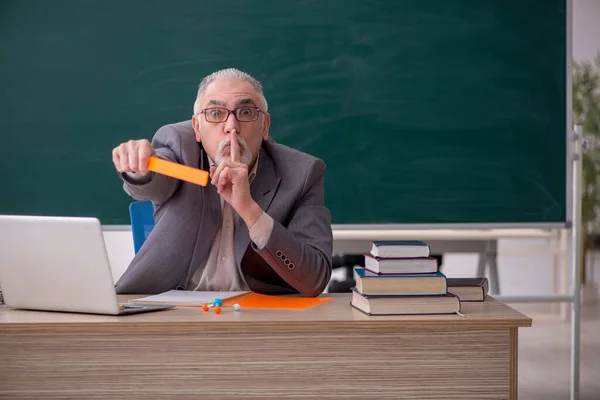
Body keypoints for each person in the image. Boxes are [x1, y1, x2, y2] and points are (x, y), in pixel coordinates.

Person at [111, 68, 333, 296]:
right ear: (197, 127)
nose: (231, 127)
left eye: (245, 112)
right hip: (172, 306)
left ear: (265, 126)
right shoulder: (180, 147)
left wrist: (250, 210)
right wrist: (138, 169)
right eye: (216, 113)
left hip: (258, 313)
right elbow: (156, 178)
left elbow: (314, 279)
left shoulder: (302, 173)